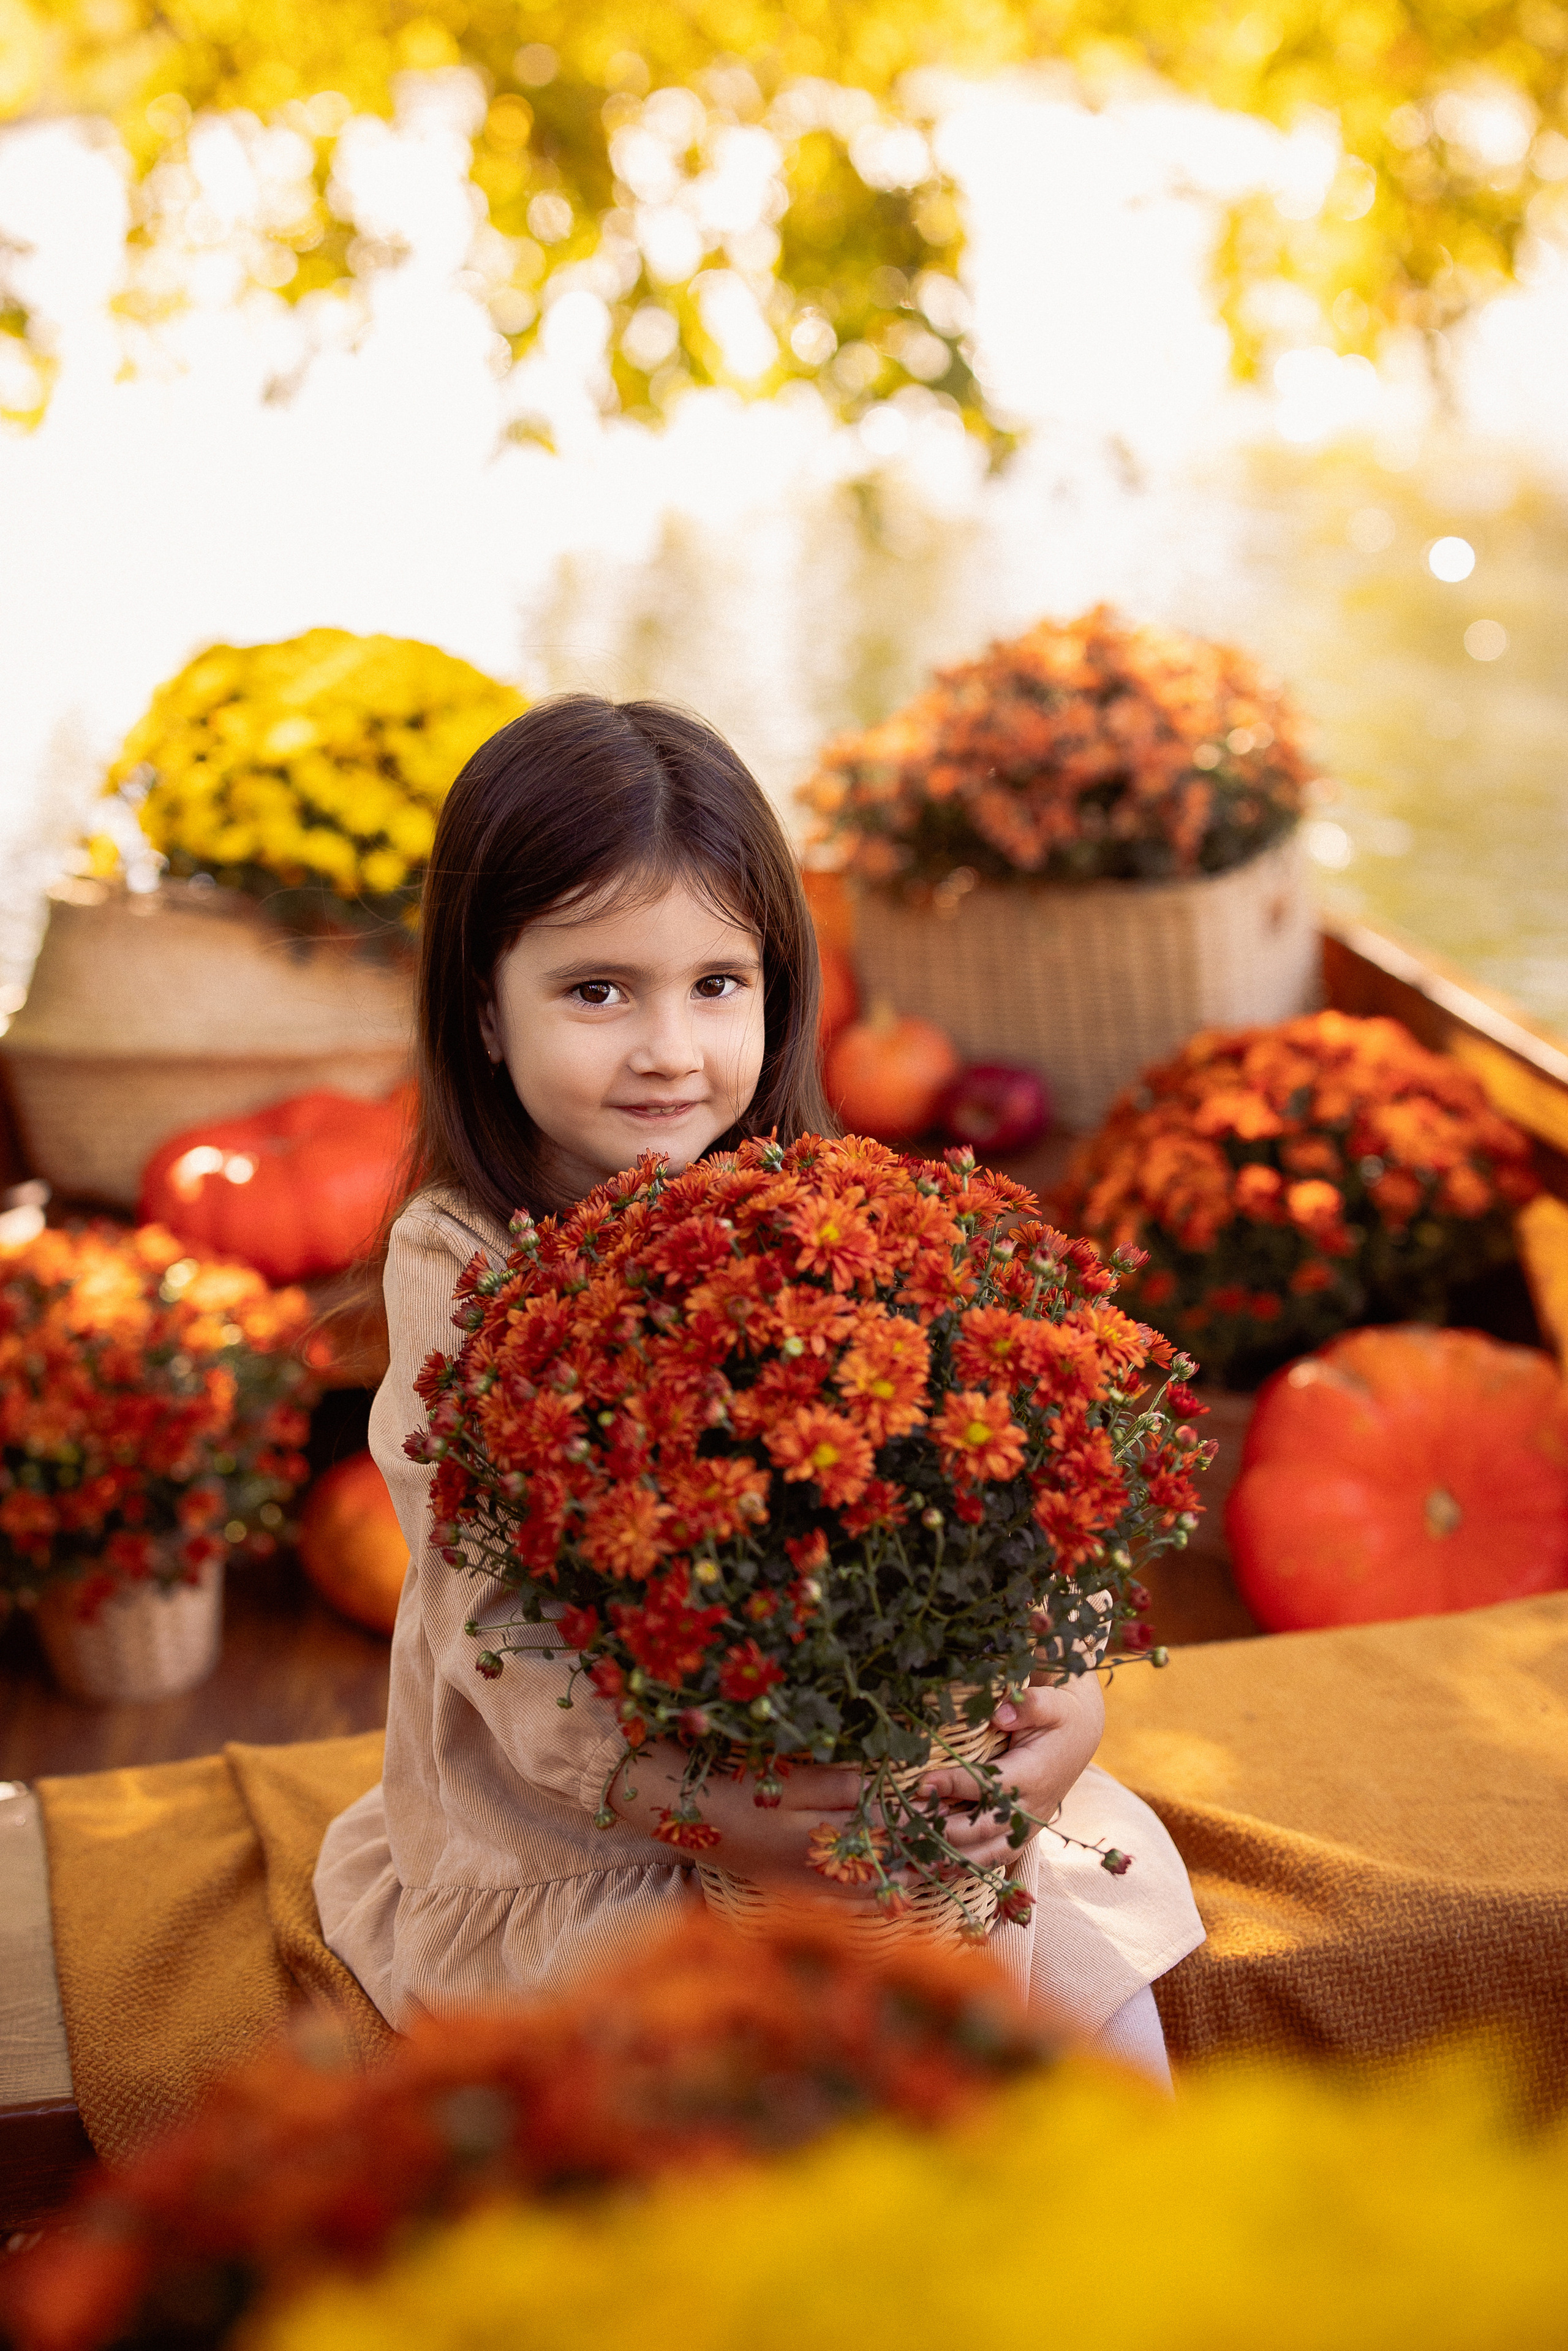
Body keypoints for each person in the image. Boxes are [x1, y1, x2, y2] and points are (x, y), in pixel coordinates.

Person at [314, 695, 1203, 2086]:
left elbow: (990, 1507)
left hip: (864, 1790)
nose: (670, 1048)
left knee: (1095, 2007)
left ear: (776, 988)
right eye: (597, 988)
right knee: (727, 2079)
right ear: (483, 1011)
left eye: (715, 983)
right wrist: (718, 1807)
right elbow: (496, 1632)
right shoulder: (461, 1255)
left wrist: (1061, 1692)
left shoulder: (813, 1204)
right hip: (592, 1828)